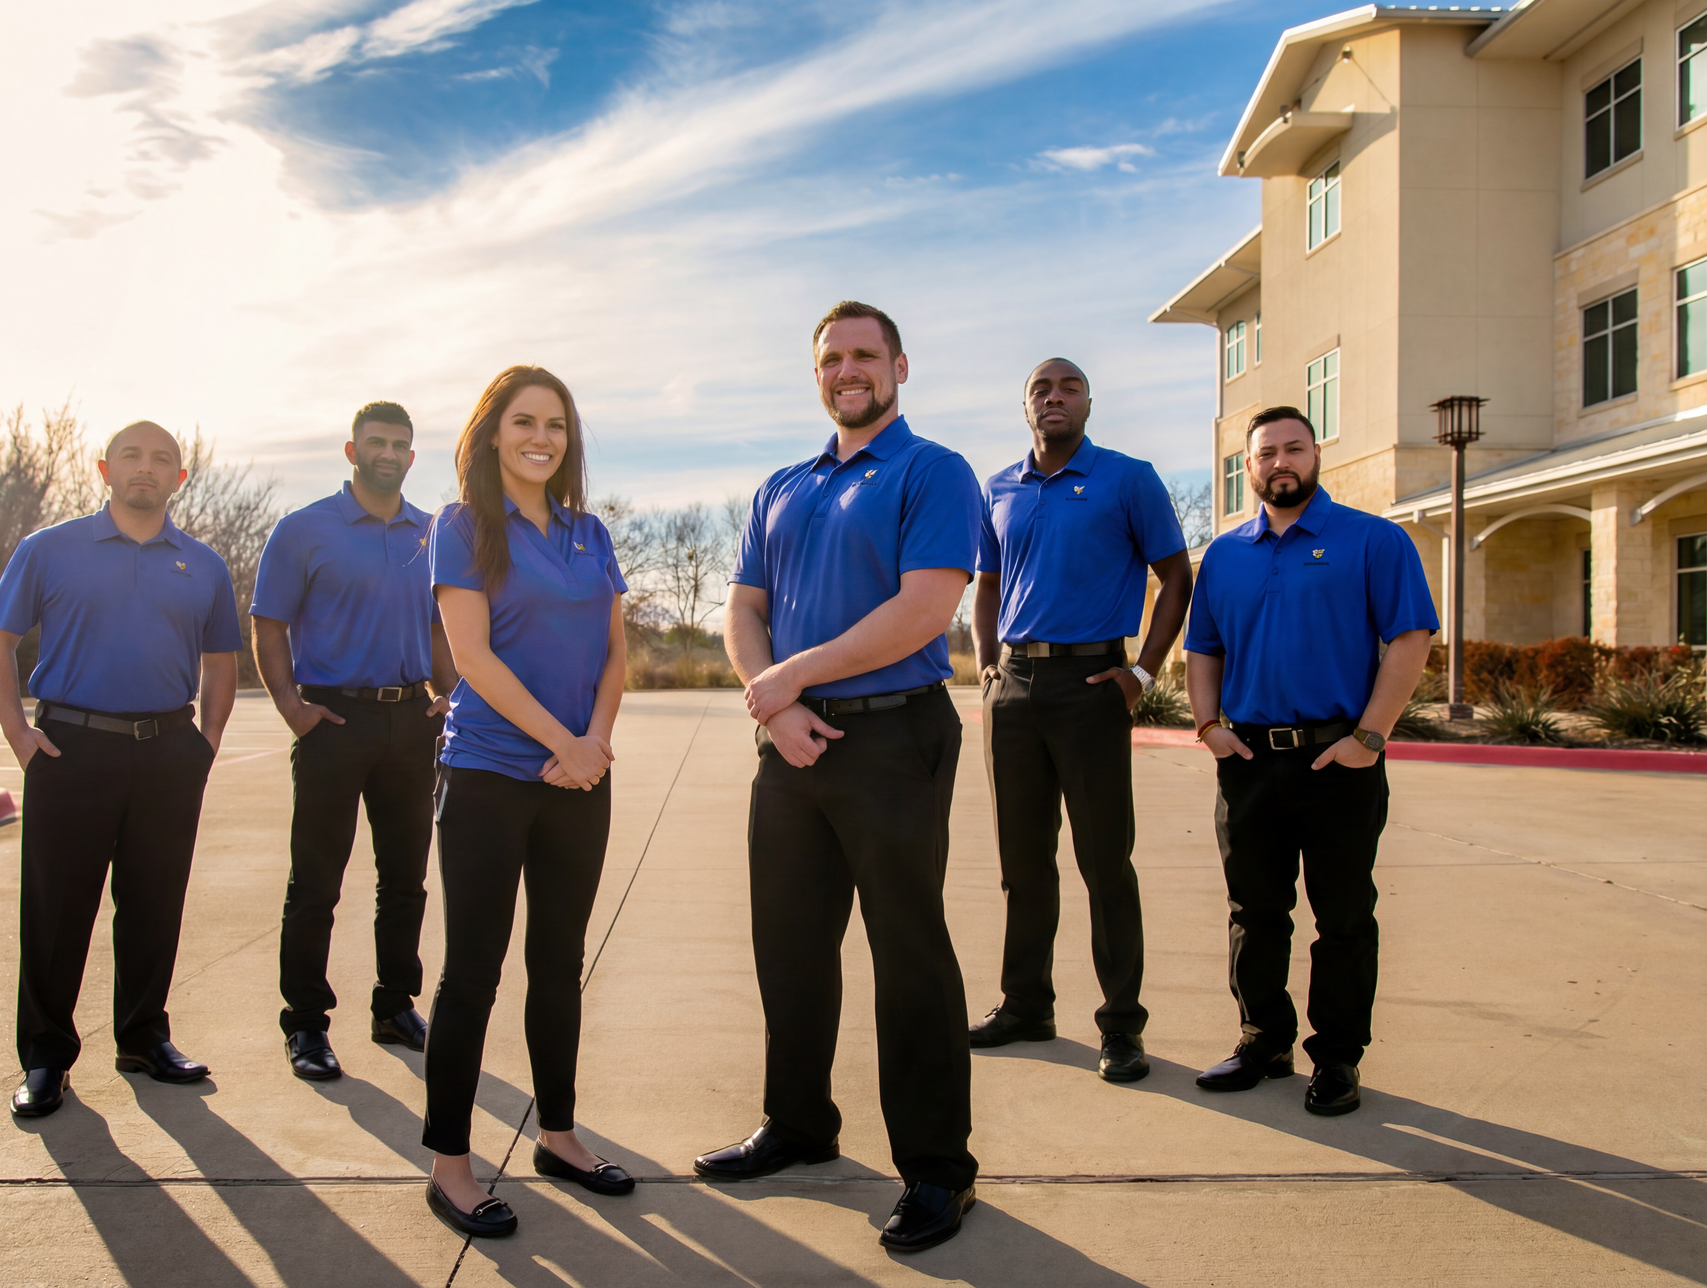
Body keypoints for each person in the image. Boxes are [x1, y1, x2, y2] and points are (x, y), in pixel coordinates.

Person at [696, 301, 982, 1255]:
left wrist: (793, 677)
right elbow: (744, 609)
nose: (847, 370)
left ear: (898, 366)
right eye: (831, 358)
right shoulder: (782, 484)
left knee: (908, 954)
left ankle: (938, 1169)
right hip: (790, 744)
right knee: (788, 946)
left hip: (895, 737)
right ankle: (798, 1123)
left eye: (865, 354)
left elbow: (924, 609)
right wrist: (773, 706)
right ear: (816, 373)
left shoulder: (932, 471)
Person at [421, 366, 633, 1240]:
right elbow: (472, 657)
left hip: (579, 778)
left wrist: (594, 744)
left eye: (555, 424)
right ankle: (450, 1166)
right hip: (488, 774)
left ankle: (558, 1136)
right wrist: (561, 742)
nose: (541, 437)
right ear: (492, 433)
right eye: (523, 422)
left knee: (558, 962)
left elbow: (616, 653)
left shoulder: (591, 533)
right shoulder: (462, 527)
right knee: (473, 971)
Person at [0, 420, 240, 1119]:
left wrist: (207, 743)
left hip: (168, 749)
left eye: (162, 459)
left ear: (179, 477)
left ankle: (143, 1038)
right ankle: (45, 1057)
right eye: (131, 455)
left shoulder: (204, 565)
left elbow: (220, 660)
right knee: (57, 910)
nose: (145, 467)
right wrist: (19, 735)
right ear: (104, 469)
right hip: (72, 748)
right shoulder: (48, 549)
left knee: (156, 902)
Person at [1184, 405, 1436, 1117]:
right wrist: (1209, 726)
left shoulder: (1373, 541)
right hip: (1248, 761)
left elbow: (1411, 638)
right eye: (1266, 453)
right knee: (1254, 912)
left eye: (1294, 448)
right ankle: (1263, 1042)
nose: (1280, 462)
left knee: (1344, 916)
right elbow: (1204, 648)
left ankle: (1337, 1058)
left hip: (1339, 760)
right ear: (1249, 466)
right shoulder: (1224, 555)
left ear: (1316, 455)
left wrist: (1369, 739)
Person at [968, 358, 1193, 1083]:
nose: (1054, 397)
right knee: (1022, 863)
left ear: (1089, 404)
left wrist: (1142, 673)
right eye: (1041, 388)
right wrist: (986, 663)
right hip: (1014, 690)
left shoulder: (1128, 479)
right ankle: (1025, 1005)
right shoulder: (998, 488)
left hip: (1093, 684)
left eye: (1068, 387)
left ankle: (1121, 1026)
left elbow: (1176, 576)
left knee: (1104, 862)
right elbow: (986, 583)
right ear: (1025, 407)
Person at [252, 401, 458, 1081]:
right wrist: (293, 709)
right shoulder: (303, 530)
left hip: (412, 723)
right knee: (316, 882)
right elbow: (269, 625)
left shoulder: (431, 534)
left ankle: (394, 1005)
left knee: (405, 880)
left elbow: (440, 629)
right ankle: (306, 1023)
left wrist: (451, 700)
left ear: (412, 456)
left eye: (400, 444)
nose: (388, 453)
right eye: (376, 442)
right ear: (352, 451)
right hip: (333, 721)